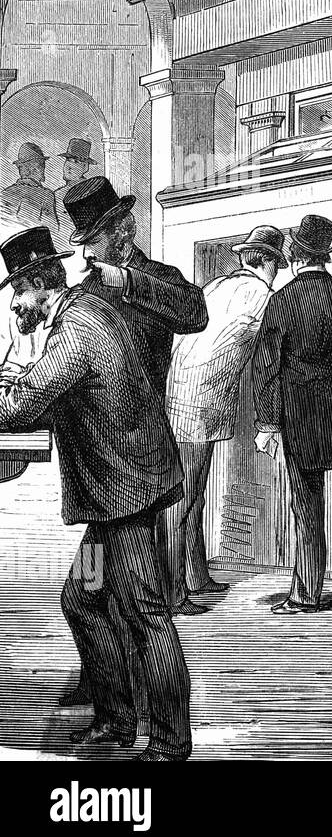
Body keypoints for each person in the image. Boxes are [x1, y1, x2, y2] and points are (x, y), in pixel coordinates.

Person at [0, 227, 191, 760]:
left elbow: (20, 408)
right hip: (123, 490)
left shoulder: (74, 329)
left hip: (127, 492)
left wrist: (12, 390)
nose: (17, 305)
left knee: (146, 612)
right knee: (83, 599)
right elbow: (47, 383)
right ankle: (115, 722)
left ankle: (171, 744)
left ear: (40, 285)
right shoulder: (84, 310)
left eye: (19, 293)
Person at [162, 226, 287, 615]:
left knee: (192, 497)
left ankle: (196, 576)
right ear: (266, 262)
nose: (276, 273)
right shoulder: (263, 297)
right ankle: (170, 593)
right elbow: (270, 356)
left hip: (184, 396)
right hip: (198, 405)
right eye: (275, 265)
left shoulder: (216, 286)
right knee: (182, 503)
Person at [253, 215, 332, 614]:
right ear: (326, 255)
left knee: (307, 506)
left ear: (296, 254)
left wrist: (268, 423)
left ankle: (306, 593)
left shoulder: (281, 301)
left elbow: (266, 368)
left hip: (300, 416)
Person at [63, 175, 209, 396]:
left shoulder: (158, 275)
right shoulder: (89, 286)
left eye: (93, 241)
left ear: (120, 232)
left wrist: (128, 281)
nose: (87, 253)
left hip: (143, 422)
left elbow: (196, 314)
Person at [3, 142, 60, 233]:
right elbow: (53, 230)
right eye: (42, 166)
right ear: (36, 168)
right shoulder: (46, 195)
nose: (43, 171)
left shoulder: (5, 193)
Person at [54, 138, 94, 247]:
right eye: (68, 160)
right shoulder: (57, 195)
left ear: (85, 167)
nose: (69, 166)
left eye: (76, 161)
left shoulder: (92, 191)